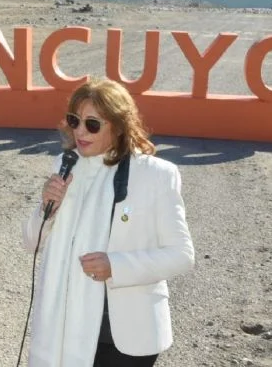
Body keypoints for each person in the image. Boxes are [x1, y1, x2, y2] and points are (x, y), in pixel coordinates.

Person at [22, 78, 195, 367]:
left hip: (123, 335)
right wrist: (47, 209)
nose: (79, 131)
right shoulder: (65, 165)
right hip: (63, 330)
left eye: (92, 124)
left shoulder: (155, 175)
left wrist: (116, 266)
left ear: (118, 125)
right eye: (74, 120)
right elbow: (31, 243)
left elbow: (182, 255)